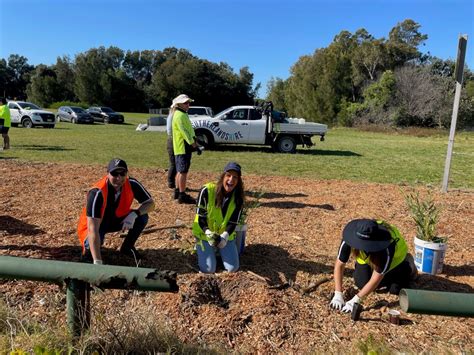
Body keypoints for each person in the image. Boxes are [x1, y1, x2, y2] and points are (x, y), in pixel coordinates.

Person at [77, 158, 155, 264]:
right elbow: (92, 229)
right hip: (96, 225)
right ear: (108, 174)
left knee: (142, 217)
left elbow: (150, 204)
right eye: (114, 174)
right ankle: (88, 254)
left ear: (127, 174)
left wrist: (134, 214)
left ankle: (127, 248)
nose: (119, 178)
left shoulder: (132, 184)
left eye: (122, 174)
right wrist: (98, 261)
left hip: (117, 219)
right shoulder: (97, 192)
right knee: (94, 244)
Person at [329, 219, 417, 313]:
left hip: (396, 261)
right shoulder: (349, 238)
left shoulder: (386, 247)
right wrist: (338, 293)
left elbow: (377, 277)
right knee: (361, 283)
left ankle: (408, 265)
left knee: (395, 289)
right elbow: (339, 264)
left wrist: (356, 300)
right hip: (368, 260)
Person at [192, 162, 245, 273]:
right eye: (228, 175)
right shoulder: (207, 190)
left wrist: (225, 236)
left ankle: (218, 252)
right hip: (204, 234)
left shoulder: (238, 197)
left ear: (238, 180)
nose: (231, 180)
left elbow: (233, 221)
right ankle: (204, 250)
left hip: (225, 236)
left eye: (235, 177)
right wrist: (207, 232)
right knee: (208, 270)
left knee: (232, 268)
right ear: (223, 176)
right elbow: (200, 217)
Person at [171, 94, 198, 204]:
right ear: (179, 104)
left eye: (188, 102)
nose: (188, 105)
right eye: (186, 103)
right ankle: (182, 195)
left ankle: (177, 191)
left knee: (180, 170)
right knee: (183, 171)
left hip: (180, 147)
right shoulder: (180, 115)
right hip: (183, 147)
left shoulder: (180, 114)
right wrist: (193, 143)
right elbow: (184, 131)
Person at [165, 108, 176, 189]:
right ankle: (171, 182)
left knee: (174, 164)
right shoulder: (173, 115)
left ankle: (172, 182)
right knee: (174, 164)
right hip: (173, 140)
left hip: (172, 139)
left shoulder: (171, 115)